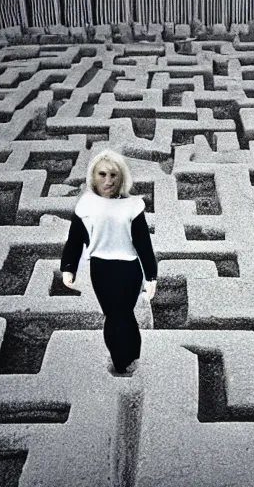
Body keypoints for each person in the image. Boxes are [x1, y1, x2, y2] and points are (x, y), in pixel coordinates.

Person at [60, 149, 157, 374]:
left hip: (129, 270)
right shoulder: (85, 205)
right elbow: (74, 240)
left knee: (124, 314)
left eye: (113, 175)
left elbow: (143, 243)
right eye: (102, 174)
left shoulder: (133, 206)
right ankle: (120, 359)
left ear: (121, 177)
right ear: (93, 176)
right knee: (113, 315)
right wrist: (68, 267)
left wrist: (151, 275)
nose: (108, 180)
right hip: (101, 269)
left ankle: (130, 357)